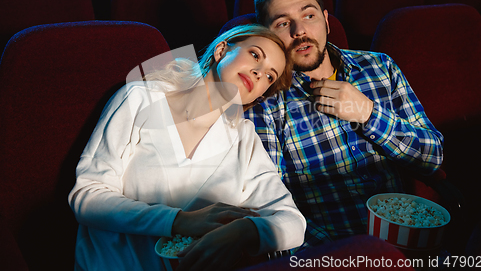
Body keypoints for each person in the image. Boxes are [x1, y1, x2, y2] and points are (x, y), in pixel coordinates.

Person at [68, 24, 305, 271]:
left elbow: (293, 223)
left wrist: (244, 230)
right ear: (222, 50)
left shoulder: (244, 139)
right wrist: (179, 221)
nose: (259, 73)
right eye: (255, 55)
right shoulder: (140, 98)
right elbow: (87, 196)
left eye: (269, 76)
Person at [244, 0, 444, 248]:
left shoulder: (380, 67)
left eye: (309, 15)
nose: (299, 31)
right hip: (333, 251)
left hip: (407, 241)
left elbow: (433, 157)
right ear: (268, 36)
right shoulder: (265, 100)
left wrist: (369, 115)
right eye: (282, 23)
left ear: (326, 22)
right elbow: (271, 206)